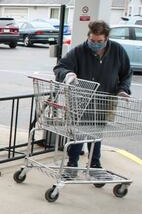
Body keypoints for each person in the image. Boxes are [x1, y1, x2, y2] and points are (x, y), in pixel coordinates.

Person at [53, 20, 132, 170]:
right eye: (92, 40)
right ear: (88, 37)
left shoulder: (117, 51)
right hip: (81, 99)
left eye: (99, 41)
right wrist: (68, 73)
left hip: (104, 99)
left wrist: (123, 90)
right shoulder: (79, 51)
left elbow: (126, 73)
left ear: (106, 39)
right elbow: (60, 67)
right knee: (79, 132)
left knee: (96, 132)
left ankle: (94, 163)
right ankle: (73, 162)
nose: (95, 44)